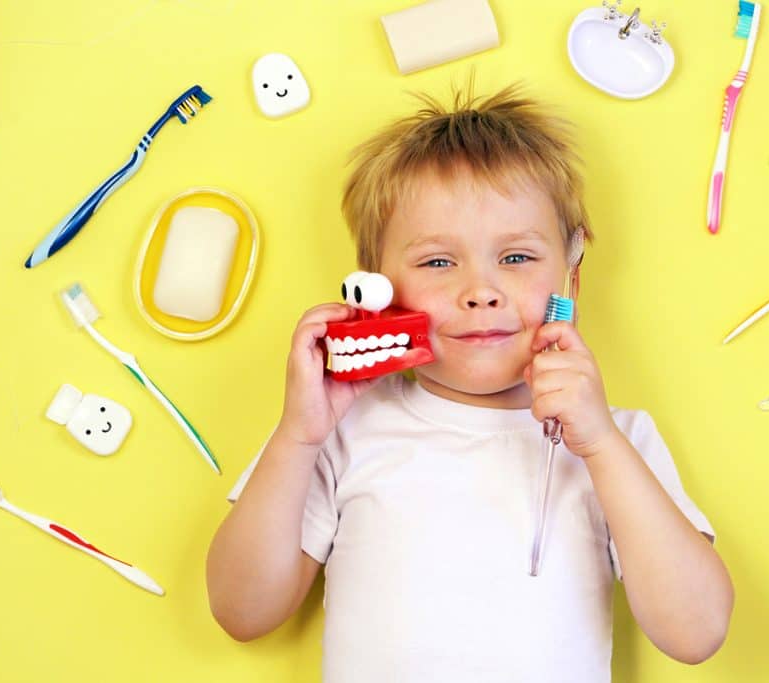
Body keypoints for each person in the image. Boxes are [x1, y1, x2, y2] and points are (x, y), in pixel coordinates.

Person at [206, 81, 733, 682]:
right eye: (437, 261)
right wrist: (296, 438)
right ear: (377, 292)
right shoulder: (341, 427)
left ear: (571, 282)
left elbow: (697, 633)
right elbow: (241, 610)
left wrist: (602, 446)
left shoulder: (617, 439)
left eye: (516, 258)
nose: (480, 290)